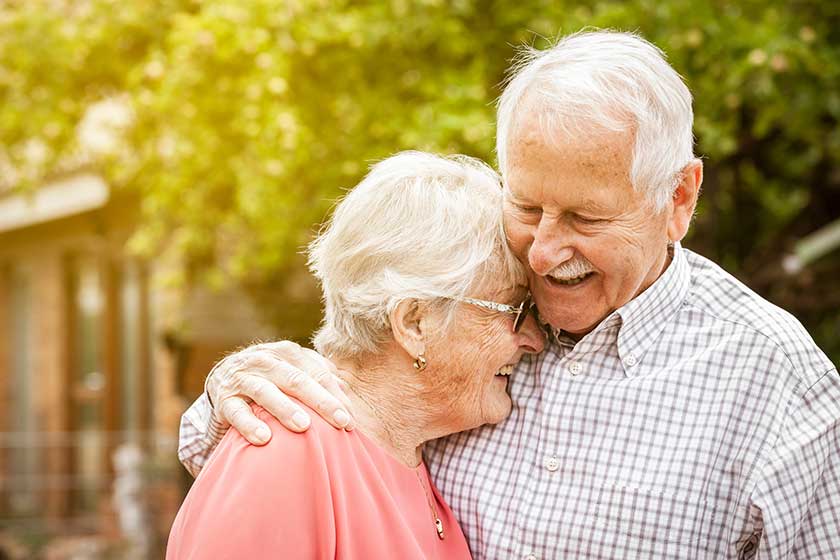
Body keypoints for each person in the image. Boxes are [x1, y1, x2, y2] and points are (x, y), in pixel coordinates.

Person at [178, 31, 840, 559]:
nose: (544, 252)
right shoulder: (465, 313)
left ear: (679, 198)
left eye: (585, 218)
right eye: (526, 205)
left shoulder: (777, 382)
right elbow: (325, 418)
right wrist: (229, 388)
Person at [167, 151, 544, 558]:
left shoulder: (419, 458)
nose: (535, 339)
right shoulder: (288, 450)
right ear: (415, 323)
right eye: (516, 309)